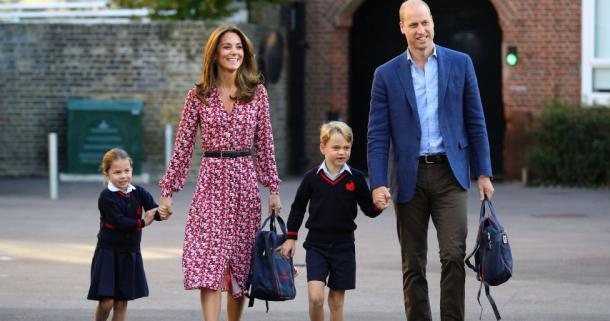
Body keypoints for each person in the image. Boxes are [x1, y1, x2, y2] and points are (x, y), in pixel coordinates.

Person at [367, 1, 495, 320]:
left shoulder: (460, 63)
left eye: (425, 23)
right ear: (402, 28)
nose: (421, 30)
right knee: (413, 262)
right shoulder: (386, 75)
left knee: (453, 254)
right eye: (413, 25)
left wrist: (483, 173)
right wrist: (378, 182)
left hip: (450, 175)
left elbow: (475, 120)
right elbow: (378, 135)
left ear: (433, 24)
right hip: (408, 177)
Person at [158, 25, 282, 321]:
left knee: (240, 263)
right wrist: (167, 191)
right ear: (214, 53)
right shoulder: (198, 95)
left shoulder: (257, 93)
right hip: (211, 182)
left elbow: (265, 144)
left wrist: (273, 189)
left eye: (238, 47)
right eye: (227, 47)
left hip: (244, 183)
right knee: (208, 262)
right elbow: (183, 146)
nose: (234, 52)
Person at [280, 121, 387, 321]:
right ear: (323, 148)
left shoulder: (355, 178)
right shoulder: (312, 177)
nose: (341, 152)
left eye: (346, 148)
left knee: (337, 301)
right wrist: (290, 237)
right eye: (336, 147)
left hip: (344, 246)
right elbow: (298, 208)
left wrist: (378, 206)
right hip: (316, 246)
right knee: (315, 298)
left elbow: (368, 209)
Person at [87, 148, 162, 321]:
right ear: (107, 174)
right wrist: (143, 222)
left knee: (121, 303)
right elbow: (118, 222)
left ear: (132, 170)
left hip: (130, 253)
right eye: (117, 172)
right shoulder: (106, 197)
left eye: (127, 171)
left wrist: (162, 211)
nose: (123, 176)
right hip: (108, 253)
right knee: (107, 302)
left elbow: (153, 210)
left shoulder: (139, 192)